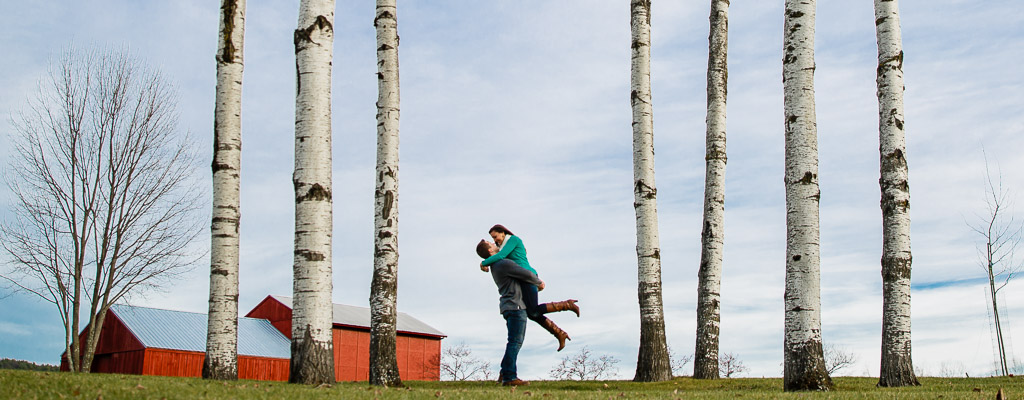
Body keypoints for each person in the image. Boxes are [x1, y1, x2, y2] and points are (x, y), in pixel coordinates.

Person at [476, 224, 580, 351]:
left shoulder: (512, 240)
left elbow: (500, 256)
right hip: (524, 278)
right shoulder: (502, 246)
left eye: (495, 237)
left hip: (528, 276)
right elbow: (495, 254)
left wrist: (483, 263)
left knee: (534, 310)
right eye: (492, 239)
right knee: (532, 313)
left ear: (502, 232)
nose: (495, 240)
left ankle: (566, 305)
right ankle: (559, 333)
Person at [481, 253, 543, 386]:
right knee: (515, 342)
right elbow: (526, 274)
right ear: (490, 251)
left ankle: (504, 373)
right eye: (491, 244)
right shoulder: (503, 263)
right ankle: (509, 377)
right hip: (516, 306)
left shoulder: (495, 266)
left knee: (513, 341)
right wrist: (539, 283)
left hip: (508, 306)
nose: (495, 244)